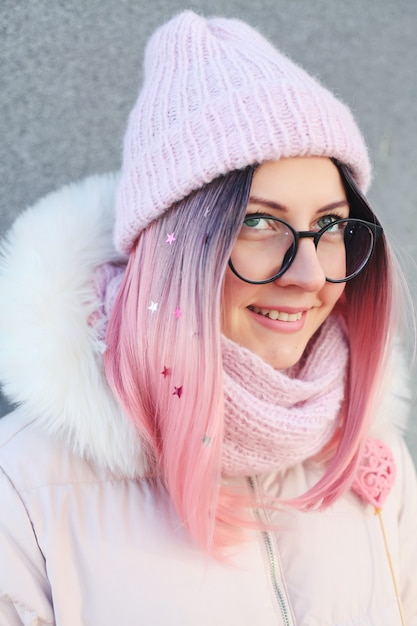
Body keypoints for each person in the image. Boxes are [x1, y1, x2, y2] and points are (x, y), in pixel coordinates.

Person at [0, 10, 416, 625]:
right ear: (174, 248)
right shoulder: (25, 488)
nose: (308, 275)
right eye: (257, 222)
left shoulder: (369, 451)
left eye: (329, 225)